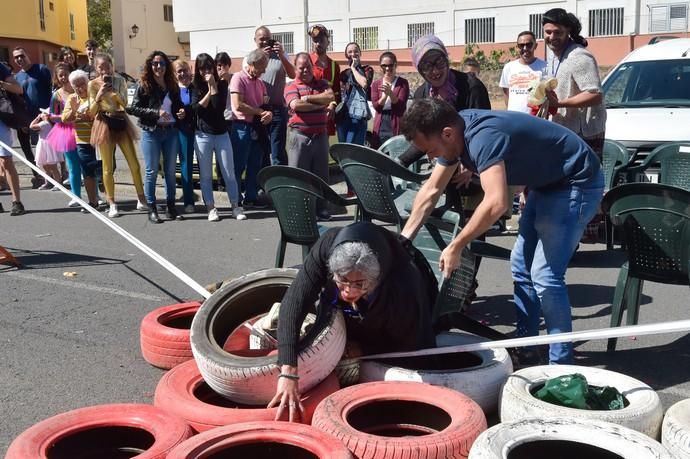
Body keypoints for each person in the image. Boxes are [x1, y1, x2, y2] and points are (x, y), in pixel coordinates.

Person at [399, 98, 604, 365]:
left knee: (545, 275)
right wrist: (402, 241)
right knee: (521, 266)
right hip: (545, 182)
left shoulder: (483, 138)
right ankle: (527, 348)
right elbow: (430, 192)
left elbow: (496, 203)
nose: (430, 157)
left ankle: (560, 364)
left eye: (430, 150)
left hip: (576, 181)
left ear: (447, 134)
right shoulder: (453, 133)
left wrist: (456, 245)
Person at [269, 221, 436, 421]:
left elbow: (408, 343)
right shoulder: (328, 246)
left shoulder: (403, 286)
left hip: (402, 316)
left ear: (376, 278)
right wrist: (288, 371)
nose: (348, 291)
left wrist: (364, 348)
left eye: (359, 284)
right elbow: (294, 302)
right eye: (343, 281)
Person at [542, 8, 606, 242]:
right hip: (565, 129)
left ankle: (578, 236)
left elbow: (595, 94)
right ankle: (570, 236)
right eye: (547, 32)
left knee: (581, 189)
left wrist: (562, 103)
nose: (551, 37)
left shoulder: (579, 57)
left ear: (568, 30)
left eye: (556, 32)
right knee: (568, 187)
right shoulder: (556, 55)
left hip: (584, 132)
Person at [129, 51, 186, 223]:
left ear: (166, 66)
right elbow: (133, 108)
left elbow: (177, 105)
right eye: (155, 63)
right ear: (150, 65)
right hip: (151, 131)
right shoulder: (144, 85)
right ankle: (152, 208)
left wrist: (181, 112)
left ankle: (171, 207)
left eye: (161, 63)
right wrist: (156, 113)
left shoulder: (172, 84)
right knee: (151, 171)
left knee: (170, 171)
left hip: (170, 132)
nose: (158, 66)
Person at [88, 53, 146, 218]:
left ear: (111, 66)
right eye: (101, 67)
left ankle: (141, 199)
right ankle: (112, 202)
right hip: (103, 124)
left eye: (107, 66)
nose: (104, 70)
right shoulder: (92, 84)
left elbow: (126, 104)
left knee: (134, 164)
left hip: (120, 121)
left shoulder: (120, 81)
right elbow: (91, 112)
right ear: (96, 68)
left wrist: (113, 93)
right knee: (107, 167)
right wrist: (99, 96)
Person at [190, 53, 246, 222]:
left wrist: (213, 86)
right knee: (206, 175)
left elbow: (218, 107)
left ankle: (235, 206)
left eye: (209, 67)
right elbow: (196, 110)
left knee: (229, 173)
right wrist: (208, 91)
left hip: (221, 133)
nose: (206, 71)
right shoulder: (195, 87)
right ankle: (211, 208)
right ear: (198, 70)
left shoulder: (222, 84)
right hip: (203, 135)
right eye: (202, 68)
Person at [283, 52, 334, 220]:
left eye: (308, 67)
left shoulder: (322, 83)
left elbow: (330, 96)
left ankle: (322, 209)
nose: (305, 70)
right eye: (301, 67)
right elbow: (296, 105)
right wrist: (319, 105)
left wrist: (308, 98)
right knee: (298, 176)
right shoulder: (291, 86)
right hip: (299, 137)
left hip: (320, 136)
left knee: (321, 176)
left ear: (312, 67)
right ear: (295, 69)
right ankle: (299, 210)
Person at [229, 49, 272, 209]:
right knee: (238, 164)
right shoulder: (238, 78)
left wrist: (267, 114)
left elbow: (264, 104)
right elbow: (238, 105)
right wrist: (259, 111)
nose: (264, 70)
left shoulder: (260, 83)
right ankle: (235, 197)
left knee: (254, 164)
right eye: (262, 66)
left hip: (256, 128)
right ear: (253, 64)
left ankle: (251, 197)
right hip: (241, 127)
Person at [255, 25, 295, 166]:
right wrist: (262, 57)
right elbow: (251, 77)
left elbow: (292, 74)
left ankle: (280, 184)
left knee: (277, 151)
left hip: (278, 109)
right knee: (262, 152)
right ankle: (263, 185)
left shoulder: (281, 56)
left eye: (268, 39)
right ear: (255, 40)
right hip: (259, 111)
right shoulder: (251, 58)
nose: (265, 42)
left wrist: (282, 55)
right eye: (262, 39)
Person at [13, 47, 52, 188]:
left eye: (21, 55)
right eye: (16, 57)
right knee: (33, 149)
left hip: (46, 116)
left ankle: (60, 176)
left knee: (51, 148)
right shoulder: (17, 77)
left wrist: (51, 114)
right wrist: (22, 121)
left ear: (27, 55)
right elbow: (18, 100)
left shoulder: (41, 69)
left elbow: (51, 91)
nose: (19, 59)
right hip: (29, 119)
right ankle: (43, 177)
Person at [62, 69, 99, 211]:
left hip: (99, 139)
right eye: (76, 85)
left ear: (87, 82)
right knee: (87, 172)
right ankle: (92, 202)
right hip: (82, 141)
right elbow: (65, 118)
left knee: (103, 171)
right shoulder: (72, 98)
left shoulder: (94, 96)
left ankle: (108, 200)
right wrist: (75, 111)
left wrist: (89, 116)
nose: (80, 88)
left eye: (82, 83)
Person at [46, 62, 80, 206]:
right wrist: (58, 118)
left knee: (87, 164)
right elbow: (52, 115)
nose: (64, 77)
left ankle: (94, 196)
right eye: (61, 75)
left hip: (82, 129)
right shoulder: (56, 95)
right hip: (66, 132)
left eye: (66, 74)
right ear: (57, 77)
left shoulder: (79, 89)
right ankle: (76, 196)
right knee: (72, 165)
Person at [0, 61, 26, 215]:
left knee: (6, 159)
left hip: (2, 117)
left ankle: (17, 202)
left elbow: (18, 88)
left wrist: (1, 84)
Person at [499, 31, 548, 113]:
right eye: (521, 45)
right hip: (514, 118)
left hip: (536, 119)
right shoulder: (509, 67)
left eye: (529, 45)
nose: (525, 48)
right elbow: (506, 94)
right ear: (517, 47)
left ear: (535, 46)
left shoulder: (545, 67)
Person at [336, 42, 374, 146]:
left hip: (358, 116)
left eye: (356, 51)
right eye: (350, 51)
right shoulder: (344, 74)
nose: (353, 54)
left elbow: (364, 83)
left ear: (360, 53)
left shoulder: (367, 70)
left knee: (353, 149)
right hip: (343, 117)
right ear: (346, 55)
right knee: (343, 149)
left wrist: (353, 68)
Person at [370, 51, 409, 148]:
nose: (387, 68)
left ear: (395, 65)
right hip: (381, 121)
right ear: (380, 67)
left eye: (390, 65)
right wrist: (385, 96)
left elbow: (401, 107)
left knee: (395, 151)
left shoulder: (403, 83)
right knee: (380, 151)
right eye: (384, 66)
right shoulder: (376, 84)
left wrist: (391, 94)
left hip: (396, 121)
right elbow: (376, 107)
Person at [172, 59, 196, 213]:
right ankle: (171, 200)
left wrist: (185, 111)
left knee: (187, 165)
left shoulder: (195, 88)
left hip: (191, 130)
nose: (183, 74)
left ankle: (189, 201)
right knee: (171, 166)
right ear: (174, 74)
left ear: (190, 70)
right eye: (179, 71)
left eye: (185, 70)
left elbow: (196, 105)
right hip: (174, 130)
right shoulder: (172, 90)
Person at [309, 25, 340, 138]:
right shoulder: (306, 61)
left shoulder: (334, 65)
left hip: (326, 115)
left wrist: (332, 105)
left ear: (328, 42)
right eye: (315, 41)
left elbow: (336, 91)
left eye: (321, 40)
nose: (318, 43)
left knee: (322, 152)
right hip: (308, 113)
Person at [29, 110, 62, 189]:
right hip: (45, 145)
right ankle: (49, 182)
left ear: (47, 116)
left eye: (43, 113)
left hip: (46, 146)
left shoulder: (44, 123)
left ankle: (57, 183)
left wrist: (37, 118)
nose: (41, 114)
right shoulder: (50, 124)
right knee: (46, 165)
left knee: (51, 166)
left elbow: (31, 126)